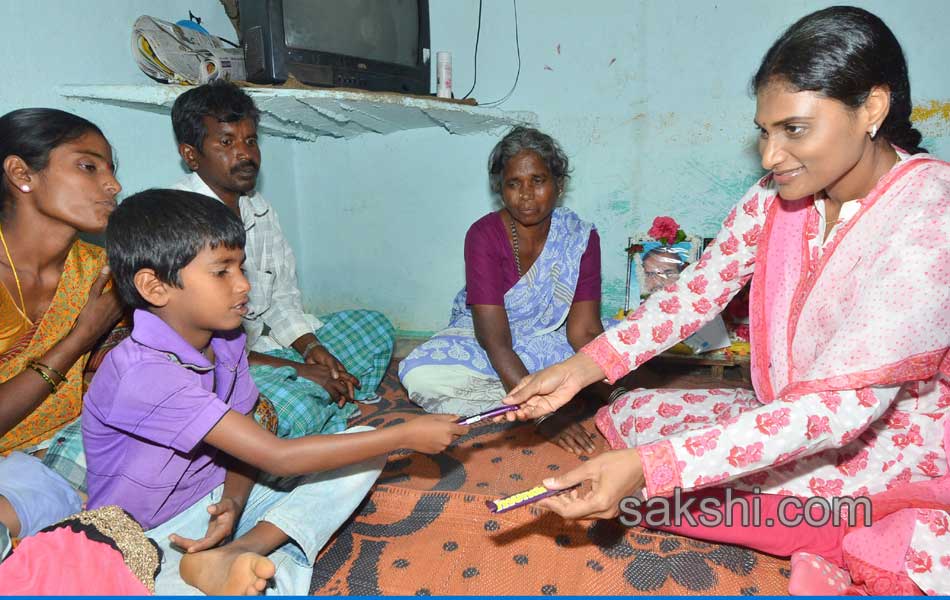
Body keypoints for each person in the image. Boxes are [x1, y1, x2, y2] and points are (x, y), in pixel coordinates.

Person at [502, 6, 950, 594]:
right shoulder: (780, 195)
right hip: (788, 408)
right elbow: (696, 291)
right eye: (765, 132)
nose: (769, 157)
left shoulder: (930, 217)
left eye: (794, 129)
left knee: (662, 493)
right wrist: (586, 366)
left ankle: (873, 528)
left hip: (887, 444)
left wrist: (650, 472)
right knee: (636, 413)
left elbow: (839, 412)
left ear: (871, 108)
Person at [84, 189, 466, 595]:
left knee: (363, 447)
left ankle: (238, 553)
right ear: (155, 287)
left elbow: (245, 448)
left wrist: (232, 503)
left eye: (241, 268)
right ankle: (223, 572)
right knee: (372, 444)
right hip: (147, 536)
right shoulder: (143, 374)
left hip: (217, 508)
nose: (243, 285)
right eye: (222, 272)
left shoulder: (227, 340)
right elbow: (276, 457)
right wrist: (406, 433)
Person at [170, 81, 395, 440]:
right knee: (291, 401)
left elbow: (281, 301)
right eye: (226, 143)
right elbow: (193, 350)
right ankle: (307, 412)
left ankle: (318, 403)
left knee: (374, 327)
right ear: (191, 155)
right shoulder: (174, 220)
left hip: (260, 351)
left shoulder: (259, 210)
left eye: (251, 140)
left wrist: (312, 351)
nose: (245, 154)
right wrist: (297, 370)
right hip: (207, 370)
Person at [399, 126, 616, 454]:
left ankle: (537, 393)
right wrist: (545, 417)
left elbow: (584, 331)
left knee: (632, 349)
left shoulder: (579, 237)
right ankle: (555, 394)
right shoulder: (483, 235)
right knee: (420, 374)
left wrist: (619, 394)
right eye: (514, 184)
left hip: (552, 339)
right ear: (500, 190)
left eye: (538, 181)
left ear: (559, 184)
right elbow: (495, 342)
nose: (526, 195)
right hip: (489, 340)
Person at [0, 108, 123, 559]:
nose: (113, 185)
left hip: (48, 459)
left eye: (112, 170)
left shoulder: (100, 273)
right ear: (21, 174)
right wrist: (80, 337)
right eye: (88, 166)